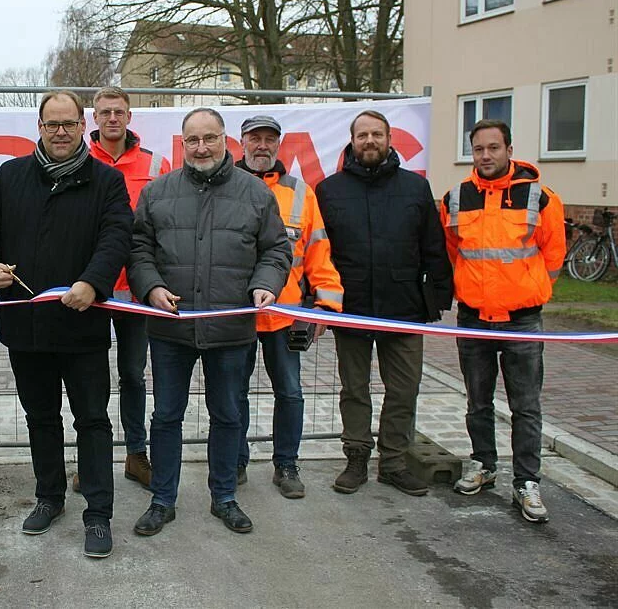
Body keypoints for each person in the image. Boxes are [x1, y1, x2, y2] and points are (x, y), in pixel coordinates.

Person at [0, 90, 132, 559]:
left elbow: (117, 236)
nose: (60, 132)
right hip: (26, 326)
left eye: (69, 124)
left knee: (93, 421)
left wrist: (94, 282)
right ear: (38, 128)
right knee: (40, 418)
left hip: (82, 326)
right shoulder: (11, 176)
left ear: (85, 127)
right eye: (51, 124)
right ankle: (49, 498)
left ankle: (98, 514)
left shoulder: (105, 181)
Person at [128, 107, 292, 537]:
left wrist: (265, 285)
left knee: (227, 415)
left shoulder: (256, 194)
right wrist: (150, 288)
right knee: (166, 417)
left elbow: (276, 251)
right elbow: (138, 250)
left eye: (210, 139)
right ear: (182, 145)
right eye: (193, 140)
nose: (202, 148)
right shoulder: (157, 192)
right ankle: (162, 500)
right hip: (170, 329)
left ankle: (224, 498)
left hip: (231, 331)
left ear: (226, 142)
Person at [316, 109, 453, 497]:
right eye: (363, 135)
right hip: (353, 307)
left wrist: (436, 299)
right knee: (354, 390)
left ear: (389, 139)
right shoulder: (329, 190)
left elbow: (433, 247)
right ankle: (356, 457)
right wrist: (320, 304)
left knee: (404, 389)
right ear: (352, 141)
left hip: (405, 308)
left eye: (377, 134)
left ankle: (393, 462)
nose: (370, 141)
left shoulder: (415, 188)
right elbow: (320, 254)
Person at [441, 119, 564, 523]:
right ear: (471, 152)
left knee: (525, 406)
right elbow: (453, 251)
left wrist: (528, 291)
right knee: (477, 402)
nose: (486, 156)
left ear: (509, 149)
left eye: (494, 148)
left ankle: (527, 482)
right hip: (474, 319)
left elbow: (553, 256)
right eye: (479, 149)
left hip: (521, 321)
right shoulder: (456, 198)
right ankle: (484, 464)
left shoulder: (540, 198)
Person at [234, 115, 343, 498]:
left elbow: (318, 252)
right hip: (238, 315)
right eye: (254, 138)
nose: (261, 146)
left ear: (279, 145)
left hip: (285, 314)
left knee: (291, 393)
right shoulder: (226, 187)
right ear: (241, 143)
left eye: (269, 139)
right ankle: (236, 461)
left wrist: (326, 306)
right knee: (233, 393)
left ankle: (286, 463)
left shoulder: (301, 192)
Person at [74, 85, 171, 492]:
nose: (112, 118)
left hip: (134, 290)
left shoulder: (155, 163)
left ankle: (136, 454)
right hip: (91, 290)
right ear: (92, 119)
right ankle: (92, 462)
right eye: (104, 112)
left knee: (133, 375)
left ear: (130, 117)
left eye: (119, 112)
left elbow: (167, 223)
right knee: (87, 379)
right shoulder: (77, 159)